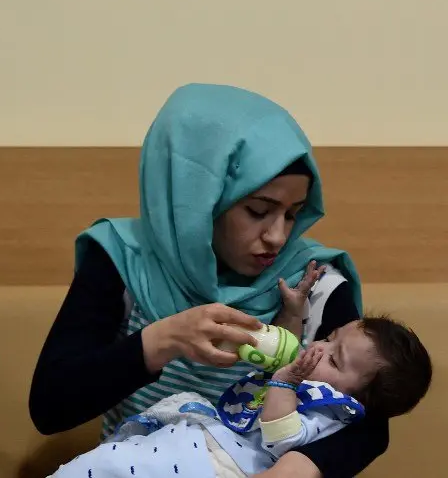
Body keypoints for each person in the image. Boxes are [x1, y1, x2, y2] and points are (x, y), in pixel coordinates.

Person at [29, 83, 394, 477]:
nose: (278, 237)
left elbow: (369, 419)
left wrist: (295, 469)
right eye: (258, 210)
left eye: (292, 214)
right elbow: (51, 407)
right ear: (199, 199)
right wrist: (161, 340)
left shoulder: (312, 282)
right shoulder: (123, 260)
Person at [45, 313, 432, 477]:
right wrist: (293, 315)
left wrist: (284, 383)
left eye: (334, 357)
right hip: (204, 443)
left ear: (357, 400)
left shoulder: (331, 413)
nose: (315, 348)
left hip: (222, 465)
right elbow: (281, 349)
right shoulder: (316, 380)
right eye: (328, 338)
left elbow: (282, 437)